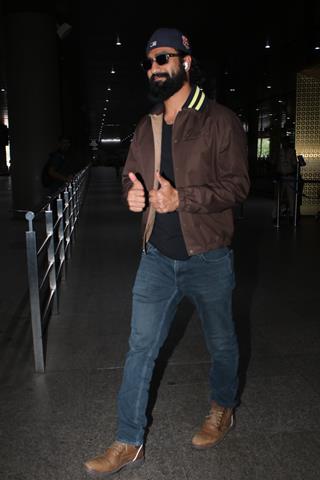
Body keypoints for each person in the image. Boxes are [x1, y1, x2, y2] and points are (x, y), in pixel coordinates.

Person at [84, 27, 250, 477]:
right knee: (140, 348)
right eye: (150, 61)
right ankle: (128, 439)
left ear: (187, 62)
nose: (155, 67)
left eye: (164, 58)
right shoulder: (147, 124)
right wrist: (131, 197)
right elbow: (130, 177)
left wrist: (184, 199)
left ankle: (223, 407)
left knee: (221, 342)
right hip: (157, 257)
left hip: (208, 255)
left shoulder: (220, 120)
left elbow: (238, 186)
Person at [272, 138, 298, 223]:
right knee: (278, 197)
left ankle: (292, 216)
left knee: (291, 198)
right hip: (280, 177)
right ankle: (275, 216)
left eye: (286, 142)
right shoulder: (278, 151)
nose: (284, 143)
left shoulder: (292, 151)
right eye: (283, 142)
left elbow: (294, 164)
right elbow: (274, 163)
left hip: (290, 177)